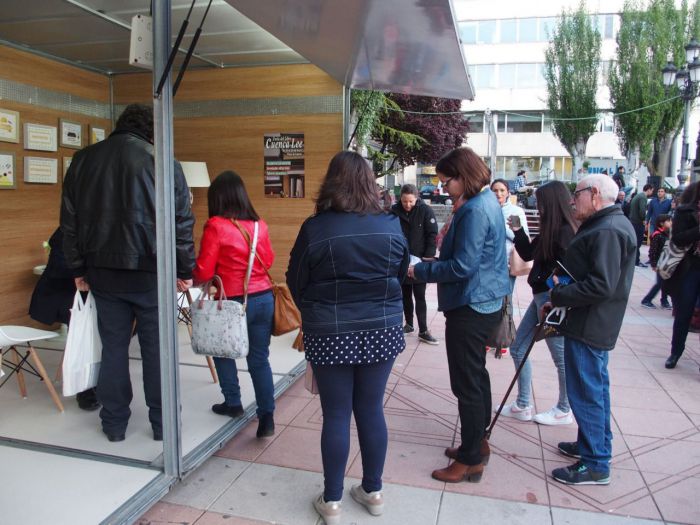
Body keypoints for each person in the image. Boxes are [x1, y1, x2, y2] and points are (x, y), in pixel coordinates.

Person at [61, 104, 195, 442]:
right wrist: (185, 268)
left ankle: (114, 424)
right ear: (151, 131)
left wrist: (78, 267)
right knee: (157, 351)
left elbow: (69, 222)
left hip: (102, 272)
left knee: (114, 348)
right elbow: (181, 223)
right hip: (152, 272)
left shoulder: (83, 160)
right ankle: (164, 426)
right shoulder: (162, 161)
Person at [287, 151, 409, 524]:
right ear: (370, 183)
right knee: (371, 409)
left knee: (336, 414)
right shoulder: (391, 225)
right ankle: (373, 492)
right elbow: (401, 273)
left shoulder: (316, 228)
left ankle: (333, 500)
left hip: (329, 330)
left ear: (331, 182)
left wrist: (316, 309)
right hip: (383, 328)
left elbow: (295, 279)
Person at [409, 147, 509, 484]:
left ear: (463, 176)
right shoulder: (486, 203)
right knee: (476, 377)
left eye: (446, 181)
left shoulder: (474, 211)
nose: (443, 187)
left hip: (471, 304)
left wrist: (420, 270)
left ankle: (470, 460)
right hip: (484, 301)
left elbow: (463, 266)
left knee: (466, 382)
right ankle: (477, 443)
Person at [546, 174, 636, 485]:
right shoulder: (607, 225)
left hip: (590, 324)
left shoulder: (609, 229)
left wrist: (559, 295)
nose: (573, 201)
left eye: (577, 194)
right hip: (590, 322)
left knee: (587, 392)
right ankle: (591, 446)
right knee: (593, 389)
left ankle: (596, 461)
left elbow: (601, 284)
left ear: (594, 194)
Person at [192, 171, 276, 437]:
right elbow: (270, 260)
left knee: (223, 351)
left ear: (218, 197)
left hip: (231, 303)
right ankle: (267, 418)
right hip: (263, 299)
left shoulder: (216, 225)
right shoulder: (259, 225)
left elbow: (204, 271)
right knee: (259, 360)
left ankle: (233, 402)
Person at [500, 181, 576, 425]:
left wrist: (556, 296)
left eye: (540, 202)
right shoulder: (552, 229)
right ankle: (523, 404)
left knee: (560, 357)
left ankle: (564, 408)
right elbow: (528, 254)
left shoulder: (565, 232)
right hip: (541, 297)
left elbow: (570, 271)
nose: (537, 206)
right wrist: (518, 229)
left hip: (552, 300)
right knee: (518, 347)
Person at [29, 227, 99, 411]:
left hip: (85, 295)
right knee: (88, 338)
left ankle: (95, 383)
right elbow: (62, 267)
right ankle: (85, 389)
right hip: (67, 295)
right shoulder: (69, 231)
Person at [391, 184, 439, 345]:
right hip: (401, 259)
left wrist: (428, 256)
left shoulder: (425, 210)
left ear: (416, 198)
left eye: (411, 201)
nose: (407, 205)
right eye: (404, 201)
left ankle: (424, 329)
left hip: (420, 260)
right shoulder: (394, 210)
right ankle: (409, 324)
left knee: (420, 295)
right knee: (405, 294)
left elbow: (432, 234)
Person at [662, 182, 700, 369]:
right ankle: (675, 352)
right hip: (690, 268)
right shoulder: (685, 211)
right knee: (684, 313)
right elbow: (677, 238)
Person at [491, 178, 529, 293]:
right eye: (495, 190)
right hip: (487, 263)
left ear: (508, 192)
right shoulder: (486, 210)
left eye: (502, 190)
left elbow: (521, 237)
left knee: (506, 300)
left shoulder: (515, 212)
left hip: (507, 263)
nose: (498, 194)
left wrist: (502, 226)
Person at [641, 214, 672, 310]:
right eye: (669, 221)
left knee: (665, 282)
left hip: (666, 262)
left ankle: (664, 300)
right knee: (660, 283)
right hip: (660, 263)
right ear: (662, 223)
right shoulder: (657, 235)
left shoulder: (667, 234)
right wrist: (653, 264)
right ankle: (647, 300)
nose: (671, 222)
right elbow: (652, 251)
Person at [628, 184, 654, 267]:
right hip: (638, 223)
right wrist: (644, 220)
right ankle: (636, 261)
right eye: (652, 190)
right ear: (649, 189)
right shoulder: (643, 197)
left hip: (633, 221)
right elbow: (642, 211)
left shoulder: (637, 196)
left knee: (634, 242)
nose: (652, 192)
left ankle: (633, 260)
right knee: (638, 243)